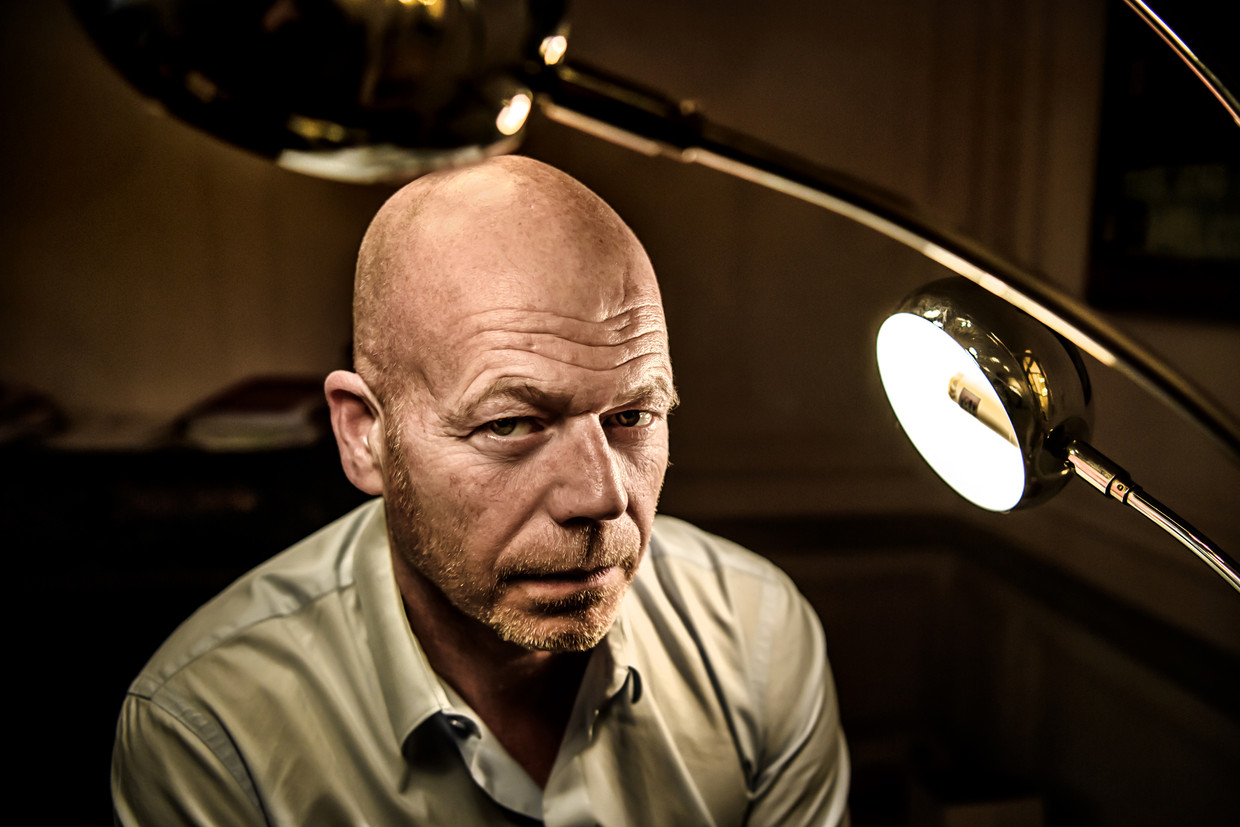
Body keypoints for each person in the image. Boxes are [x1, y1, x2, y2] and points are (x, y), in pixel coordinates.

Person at [112, 156, 850, 825]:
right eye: (511, 424)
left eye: (632, 416)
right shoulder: (210, 731)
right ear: (365, 436)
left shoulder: (757, 639)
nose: (601, 496)